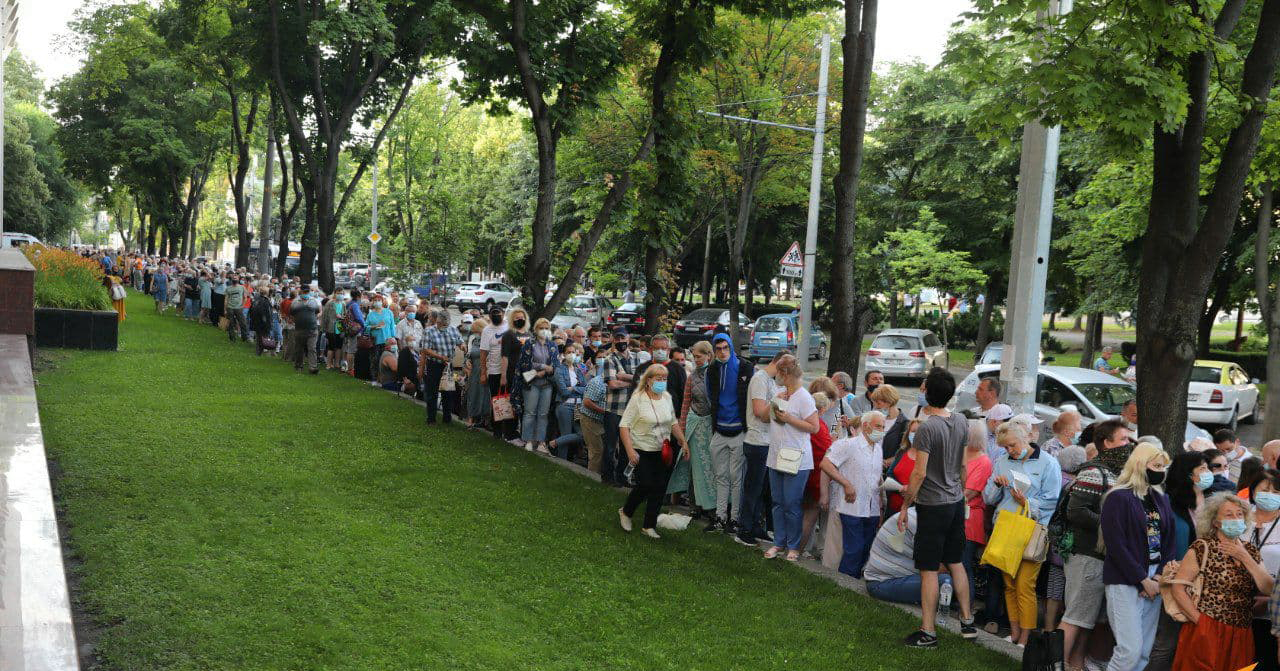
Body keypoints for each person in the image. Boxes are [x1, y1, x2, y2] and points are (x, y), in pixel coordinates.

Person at [898, 367, 978, 647]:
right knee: (956, 562)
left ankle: (928, 631)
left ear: (927, 393)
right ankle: (967, 620)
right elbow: (964, 467)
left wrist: (906, 504)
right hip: (955, 501)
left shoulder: (927, 427)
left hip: (933, 505)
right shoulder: (961, 422)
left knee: (929, 568)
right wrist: (961, 495)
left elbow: (918, 473)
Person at [1057, 419, 1131, 669]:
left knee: (1087, 619)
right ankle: (1053, 663)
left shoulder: (1115, 473)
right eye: (1123, 440)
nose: (1127, 445)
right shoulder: (1094, 471)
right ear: (1106, 443)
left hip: (1101, 557)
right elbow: (1076, 511)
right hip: (1087, 554)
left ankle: (1075, 664)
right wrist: (1111, 526)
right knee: (1075, 616)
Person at [1170, 493, 1274, 671]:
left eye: (1239, 514)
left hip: (1241, 632)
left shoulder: (1250, 550)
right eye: (1229, 515)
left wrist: (1245, 557)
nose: (1236, 518)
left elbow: (1268, 588)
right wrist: (1200, 621)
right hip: (1207, 628)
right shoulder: (1203, 547)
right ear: (1215, 522)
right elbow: (1178, 587)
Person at [982, 421, 1061, 646]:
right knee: (1009, 583)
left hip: (1031, 530)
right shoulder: (1002, 462)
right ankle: (1015, 632)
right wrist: (997, 485)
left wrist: (1027, 501)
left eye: (1012, 445)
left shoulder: (1048, 463)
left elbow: (1052, 499)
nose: (1010, 451)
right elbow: (987, 498)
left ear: (1025, 438)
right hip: (1006, 527)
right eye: (1005, 447)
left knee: (1025, 584)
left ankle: (1027, 636)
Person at [1099, 443, 1173, 671]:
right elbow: (1116, 545)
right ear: (1141, 464)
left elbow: (1168, 540)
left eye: (1163, 466)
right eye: (1156, 465)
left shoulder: (1160, 498)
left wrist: (1158, 577)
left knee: (1143, 652)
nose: (1161, 470)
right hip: (1126, 577)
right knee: (1129, 650)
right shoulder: (1117, 497)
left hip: (1155, 576)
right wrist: (1142, 579)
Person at [617, 363, 689, 539]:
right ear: (648, 380)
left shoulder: (666, 397)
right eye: (658, 379)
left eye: (664, 379)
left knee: (659, 487)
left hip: (663, 449)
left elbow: (672, 421)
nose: (662, 382)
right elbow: (624, 425)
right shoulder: (638, 398)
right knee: (645, 484)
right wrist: (630, 450)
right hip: (642, 447)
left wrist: (682, 441)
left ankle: (649, 525)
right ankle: (626, 511)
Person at [763, 355, 819, 562]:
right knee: (777, 502)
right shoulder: (780, 393)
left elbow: (814, 427)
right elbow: (765, 417)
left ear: (785, 374)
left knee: (792, 503)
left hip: (796, 458)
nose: (776, 376)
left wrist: (790, 418)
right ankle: (779, 542)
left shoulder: (804, 397)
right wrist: (776, 403)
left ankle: (794, 546)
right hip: (776, 455)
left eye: (778, 372)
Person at [820, 409, 885, 578]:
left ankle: (853, 581)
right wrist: (846, 483)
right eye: (878, 426)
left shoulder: (878, 449)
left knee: (865, 548)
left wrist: (880, 503)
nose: (881, 430)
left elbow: (875, 478)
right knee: (853, 548)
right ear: (865, 425)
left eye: (883, 426)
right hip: (852, 505)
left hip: (871, 508)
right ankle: (845, 584)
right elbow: (826, 464)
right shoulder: (848, 444)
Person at [705, 332, 753, 534]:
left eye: (726, 348)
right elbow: (710, 396)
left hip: (739, 430)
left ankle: (734, 519)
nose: (722, 352)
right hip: (720, 429)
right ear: (714, 351)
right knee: (720, 476)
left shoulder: (745, 367)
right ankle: (720, 516)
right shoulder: (713, 370)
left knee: (736, 477)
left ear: (731, 347)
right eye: (718, 349)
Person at [736, 350, 785, 546]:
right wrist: (779, 400)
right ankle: (744, 529)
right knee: (752, 488)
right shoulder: (760, 379)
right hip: (757, 441)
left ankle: (756, 525)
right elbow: (759, 412)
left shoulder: (773, 382)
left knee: (764, 490)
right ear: (779, 364)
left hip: (769, 441)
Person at [864, 508, 954, 605]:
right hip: (880, 583)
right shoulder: (922, 524)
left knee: (946, 580)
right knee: (945, 582)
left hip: (890, 578)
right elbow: (931, 568)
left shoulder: (918, 514)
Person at [680, 341, 718, 524]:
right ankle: (695, 506)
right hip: (695, 425)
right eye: (694, 357)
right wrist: (682, 431)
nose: (695, 360)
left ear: (708, 355)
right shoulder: (691, 377)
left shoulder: (717, 374)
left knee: (711, 467)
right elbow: (685, 405)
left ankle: (712, 507)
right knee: (695, 466)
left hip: (712, 425)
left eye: (699, 356)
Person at [961, 419, 992, 620]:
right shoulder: (960, 453)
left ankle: (967, 606)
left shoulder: (984, 461)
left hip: (969, 518)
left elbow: (970, 493)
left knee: (963, 564)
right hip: (953, 512)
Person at [1249, 470, 1280, 671]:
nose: (1270, 494)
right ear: (1253, 492)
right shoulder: (1236, 517)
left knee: (1268, 662)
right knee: (1244, 661)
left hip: (1273, 606)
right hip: (1238, 607)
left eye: (1276, 491)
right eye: (1265, 490)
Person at [800, 390, 836, 557]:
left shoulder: (801, 421)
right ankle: (797, 549)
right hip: (815, 476)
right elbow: (828, 451)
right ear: (821, 410)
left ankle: (790, 546)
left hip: (803, 472)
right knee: (810, 516)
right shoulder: (819, 426)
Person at [600, 328, 637, 485]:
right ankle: (607, 477)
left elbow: (643, 379)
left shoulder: (636, 358)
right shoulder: (609, 359)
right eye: (617, 338)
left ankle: (622, 477)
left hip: (630, 409)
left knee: (625, 446)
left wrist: (624, 376)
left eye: (623, 337)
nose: (621, 341)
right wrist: (634, 380)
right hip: (613, 409)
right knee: (610, 445)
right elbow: (613, 383)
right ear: (613, 340)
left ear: (628, 338)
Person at [515, 319, 557, 453]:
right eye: (541, 327)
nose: (544, 330)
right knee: (530, 412)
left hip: (547, 383)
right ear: (536, 329)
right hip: (532, 382)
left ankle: (540, 442)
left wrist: (544, 371)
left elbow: (555, 364)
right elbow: (526, 362)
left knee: (543, 414)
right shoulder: (529, 343)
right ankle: (527, 439)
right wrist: (543, 367)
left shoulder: (552, 345)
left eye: (547, 327)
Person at [419, 310, 463, 425]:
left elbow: (460, 341)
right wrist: (440, 357)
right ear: (437, 321)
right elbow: (426, 349)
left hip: (448, 366)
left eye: (444, 325)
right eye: (440, 324)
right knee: (432, 392)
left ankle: (447, 418)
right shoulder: (429, 331)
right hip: (434, 364)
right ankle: (431, 419)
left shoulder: (453, 330)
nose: (442, 326)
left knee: (448, 391)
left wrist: (462, 346)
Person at [549, 342, 588, 460]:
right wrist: (576, 389)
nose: (571, 355)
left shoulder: (578, 370)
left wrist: (573, 388)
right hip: (565, 406)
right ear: (564, 354)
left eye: (573, 352)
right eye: (568, 352)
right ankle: (562, 462)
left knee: (582, 435)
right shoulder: (559, 370)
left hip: (579, 406)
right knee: (566, 434)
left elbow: (586, 389)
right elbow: (564, 392)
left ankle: (555, 442)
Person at [884, 419, 923, 516]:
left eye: (919, 432)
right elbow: (890, 473)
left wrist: (911, 490)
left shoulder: (929, 458)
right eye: (913, 431)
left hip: (914, 511)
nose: (915, 435)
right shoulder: (902, 452)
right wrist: (900, 487)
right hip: (892, 507)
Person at [872, 385, 908, 462]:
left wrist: (888, 461)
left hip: (888, 468)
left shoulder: (904, 423)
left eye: (878, 403)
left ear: (888, 402)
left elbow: (904, 451)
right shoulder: (878, 418)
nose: (876, 406)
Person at [289, 286, 321, 374]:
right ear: (301, 292)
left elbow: (318, 312)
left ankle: (313, 368)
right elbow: (291, 314)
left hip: (312, 329)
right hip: (300, 329)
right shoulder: (295, 302)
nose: (306, 294)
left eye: (308, 292)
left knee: (312, 348)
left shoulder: (313, 301)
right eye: (305, 292)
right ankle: (298, 365)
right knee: (299, 349)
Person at [223, 276, 247, 341]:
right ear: (232, 280)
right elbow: (226, 299)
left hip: (239, 308)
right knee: (231, 323)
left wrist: (243, 306)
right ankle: (232, 338)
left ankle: (244, 338)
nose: (234, 279)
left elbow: (245, 297)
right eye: (233, 278)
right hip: (230, 307)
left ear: (238, 279)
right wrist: (225, 309)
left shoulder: (242, 287)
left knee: (243, 323)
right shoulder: (228, 288)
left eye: (236, 278)